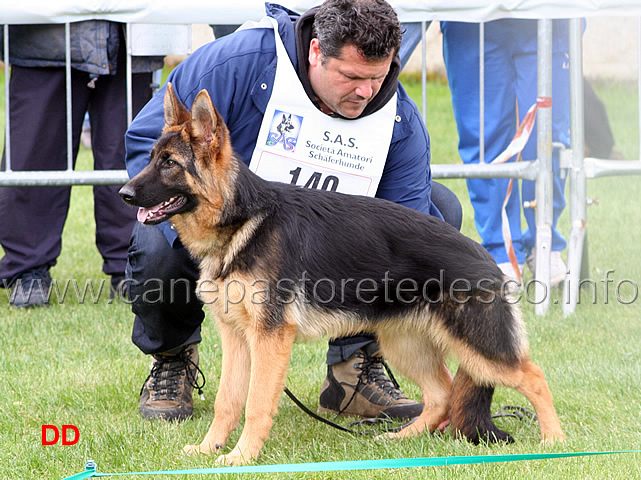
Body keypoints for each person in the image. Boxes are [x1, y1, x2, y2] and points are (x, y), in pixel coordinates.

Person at [124, 0, 462, 423]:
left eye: (378, 77)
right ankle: (172, 358)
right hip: (221, 224)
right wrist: (203, 227)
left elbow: (409, 225)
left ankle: (355, 366)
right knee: (158, 245)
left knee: (441, 211)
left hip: (324, 244)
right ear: (316, 51)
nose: (366, 92)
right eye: (352, 76)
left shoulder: (399, 118)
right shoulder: (236, 62)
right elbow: (146, 142)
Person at [0, 21, 163, 307]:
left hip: (132, 39)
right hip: (42, 38)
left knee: (133, 158)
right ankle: (27, 269)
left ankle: (133, 265)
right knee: (34, 155)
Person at [440, 19, 571, 286]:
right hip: (470, 17)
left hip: (544, 16)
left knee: (547, 135)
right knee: (483, 133)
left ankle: (545, 239)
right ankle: (500, 249)